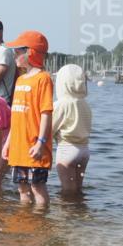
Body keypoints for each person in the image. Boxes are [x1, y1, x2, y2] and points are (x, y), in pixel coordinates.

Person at [2, 30, 53, 207]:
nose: (14, 54)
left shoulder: (43, 79)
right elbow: (16, 116)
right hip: (18, 146)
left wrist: (41, 142)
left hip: (34, 146)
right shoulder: (21, 80)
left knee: (37, 186)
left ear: (30, 52)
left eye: (18, 51)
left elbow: (46, 113)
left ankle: (40, 223)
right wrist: (8, 143)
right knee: (22, 188)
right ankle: (25, 222)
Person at [52, 63, 92, 197]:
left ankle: (68, 216)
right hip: (84, 151)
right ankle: (80, 212)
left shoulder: (61, 104)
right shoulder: (85, 105)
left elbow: (49, 128)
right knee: (78, 189)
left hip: (67, 151)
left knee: (67, 191)